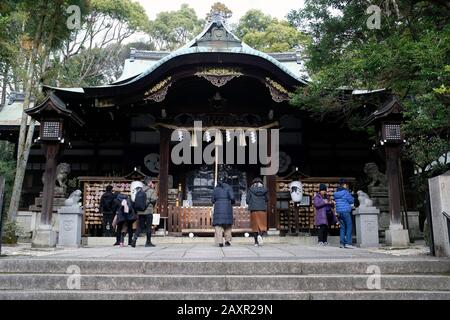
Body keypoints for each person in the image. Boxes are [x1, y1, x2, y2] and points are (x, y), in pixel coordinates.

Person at [131, 177, 158, 248]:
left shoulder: (140, 190)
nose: (152, 184)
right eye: (151, 182)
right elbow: (154, 199)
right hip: (148, 211)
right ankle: (148, 242)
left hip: (140, 211)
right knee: (149, 226)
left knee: (140, 226)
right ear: (149, 183)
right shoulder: (151, 191)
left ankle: (134, 239)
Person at [212, 175, 235, 247]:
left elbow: (212, 200)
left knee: (218, 226)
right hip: (227, 207)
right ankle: (227, 241)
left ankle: (220, 242)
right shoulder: (229, 187)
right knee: (227, 225)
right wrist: (232, 202)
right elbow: (232, 197)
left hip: (218, 207)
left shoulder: (216, 189)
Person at [334, 178, 355, 249]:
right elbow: (351, 200)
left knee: (342, 227)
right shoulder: (345, 192)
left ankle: (342, 243)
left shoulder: (336, 193)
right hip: (345, 211)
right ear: (344, 184)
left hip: (339, 212)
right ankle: (348, 243)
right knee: (349, 226)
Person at [247, 177, 268, 247]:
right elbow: (267, 199)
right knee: (263, 225)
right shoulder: (265, 190)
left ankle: (256, 242)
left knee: (255, 226)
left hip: (254, 209)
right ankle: (260, 235)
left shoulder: (250, 189)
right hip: (262, 209)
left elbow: (247, 200)